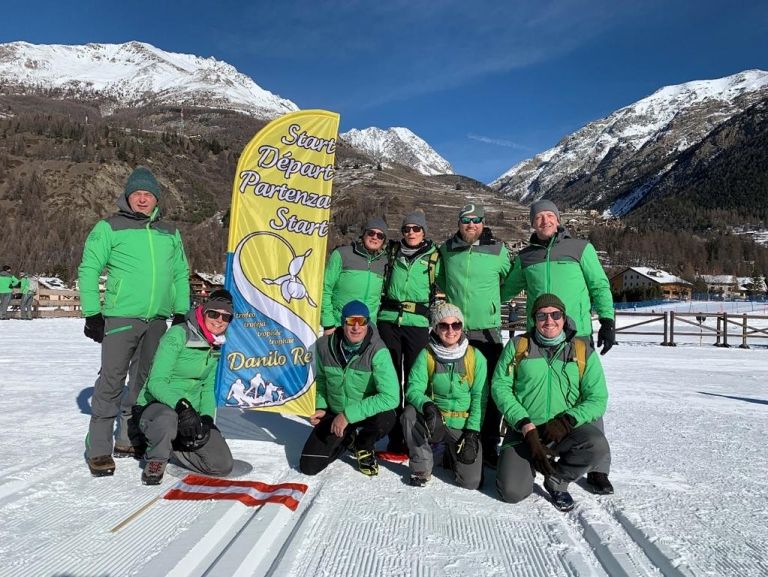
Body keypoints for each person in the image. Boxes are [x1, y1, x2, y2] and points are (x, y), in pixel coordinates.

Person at [79, 166, 190, 477]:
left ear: (157, 199)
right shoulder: (109, 227)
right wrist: (92, 313)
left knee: (144, 383)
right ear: (127, 197)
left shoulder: (169, 232)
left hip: (157, 320)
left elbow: (180, 273)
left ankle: (129, 438)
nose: (142, 199)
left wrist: (181, 311)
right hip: (122, 317)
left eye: (148, 194)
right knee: (111, 381)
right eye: (137, 194)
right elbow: (89, 269)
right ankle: (99, 447)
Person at [502, 199, 615, 494]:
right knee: (534, 390)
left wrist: (607, 319)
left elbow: (599, 285)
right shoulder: (526, 257)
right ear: (532, 222)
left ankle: (598, 468)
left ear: (558, 219)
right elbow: (505, 289)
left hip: (577, 336)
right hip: (540, 334)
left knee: (587, 399)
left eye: (549, 215)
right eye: (539, 217)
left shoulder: (580, 248)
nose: (545, 220)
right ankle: (536, 444)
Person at [492, 294, 610, 512]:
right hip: (525, 430)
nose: (549, 321)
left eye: (555, 314)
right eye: (542, 316)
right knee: (512, 492)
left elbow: (597, 398)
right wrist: (523, 423)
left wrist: (567, 421)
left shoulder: (582, 350)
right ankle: (528, 462)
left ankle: (557, 479)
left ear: (564, 318)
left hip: (564, 430)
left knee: (596, 445)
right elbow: (500, 387)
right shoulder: (518, 346)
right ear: (534, 319)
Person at [436, 203, 511, 468]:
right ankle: (455, 438)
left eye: (476, 220)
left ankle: (489, 443)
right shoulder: (447, 250)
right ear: (459, 223)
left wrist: (493, 302)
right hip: (455, 332)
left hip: (487, 331)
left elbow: (513, 279)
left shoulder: (498, 250)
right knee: (456, 387)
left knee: (490, 389)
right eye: (466, 220)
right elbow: (441, 280)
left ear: (483, 222)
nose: (471, 225)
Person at [135, 290, 235, 485]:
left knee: (222, 465)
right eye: (213, 313)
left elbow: (207, 387)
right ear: (203, 312)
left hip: (190, 413)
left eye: (226, 317)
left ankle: (173, 447)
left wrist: (206, 418)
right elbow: (156, 382)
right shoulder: (178, 335)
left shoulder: (217, 343)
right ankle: (157, 458)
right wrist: (182, 406)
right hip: (157, 406)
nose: (219, 320)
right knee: (167, 419)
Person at [300, 300, 399, 477]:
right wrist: (321, 406)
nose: (356, 327)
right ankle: (348, 438)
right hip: (335, 411)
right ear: (342, 322)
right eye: (351, 321)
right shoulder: (323, 346)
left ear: (367, 323)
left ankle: (363, 444)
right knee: (309, 466)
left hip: (366, 414)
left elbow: (391, 397)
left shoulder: (378, 351)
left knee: (387, 415)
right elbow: (321, 380)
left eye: (361, 321)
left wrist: (348, 415)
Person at [402, 303, 487, 489]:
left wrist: (472, 432)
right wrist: (428, 406)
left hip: (462, 425)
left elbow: (479, 398)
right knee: (409, 414)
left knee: (470, 482)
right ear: (435, 328)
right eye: (444, 325)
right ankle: (421, 468)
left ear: (461, 327)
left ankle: (450, 452)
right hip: (435, 421)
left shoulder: (475, 357)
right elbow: (413, 389)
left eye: (456, 325)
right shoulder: (426, 355)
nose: (450, 331)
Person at [377, 210, 440, 453]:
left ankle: (413, 433)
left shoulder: (434, 257)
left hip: (417, 324)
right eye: (406, 229)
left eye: (416, 229)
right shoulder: (392, 252)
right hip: (389, 321)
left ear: (424, 231)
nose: (411, 233)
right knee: (391, 379)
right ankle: (394, 436)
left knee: (415, 380)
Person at [320, 217, 388, 335]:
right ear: (363, 234)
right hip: (340, 325)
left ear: (383, 240)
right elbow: (325, 288)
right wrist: (328, 323)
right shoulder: (342, 254)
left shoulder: (384, 262)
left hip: (368, 328)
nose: (375, 237)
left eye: (380, 235)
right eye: (371, 233)